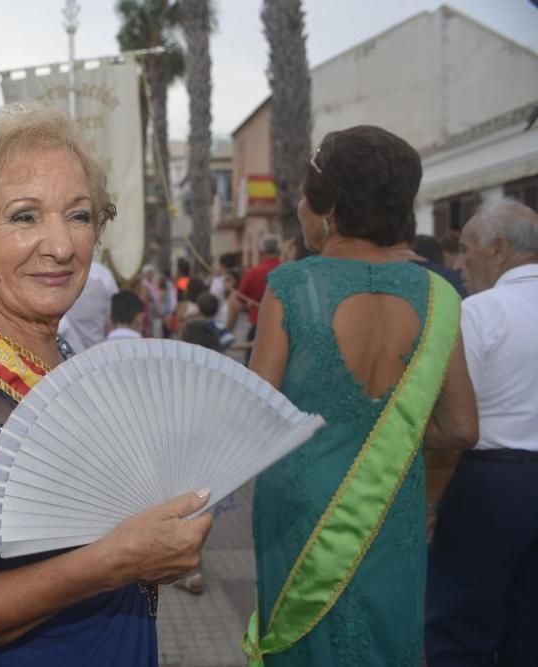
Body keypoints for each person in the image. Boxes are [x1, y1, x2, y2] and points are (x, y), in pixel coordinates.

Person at [0, 105, 213, 665]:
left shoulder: (46, 342)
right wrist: (118, 562)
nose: (61, 244)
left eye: (79, 216)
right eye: (25, 217)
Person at [244, 125, 478, 665]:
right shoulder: (440, 295)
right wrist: (392, 431)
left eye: (303, 197)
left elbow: (256, 413)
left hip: (300, 511)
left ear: (327, 209)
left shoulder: (292, 286)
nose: (299, 208)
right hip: (388, 502)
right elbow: (463, 427)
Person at [425, 199, 538, 666]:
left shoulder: (480, 311)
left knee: (460, 627)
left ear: (497, 248)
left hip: (490, 483)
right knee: (529, 630)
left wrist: (432, 498)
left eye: (466, 251)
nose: (459, 264)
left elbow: (454, 421)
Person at [225, 234, 280, 361]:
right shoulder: (288, 270)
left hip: (259, 328)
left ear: (261, 252)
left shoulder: (253, 273)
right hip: (287, 329)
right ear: (279, 251)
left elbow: (239, 303)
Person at [58, 260, 119, 352]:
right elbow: (114, 313)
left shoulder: (62, 271)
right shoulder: (103, 274)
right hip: (96, 348)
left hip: (70, 348)